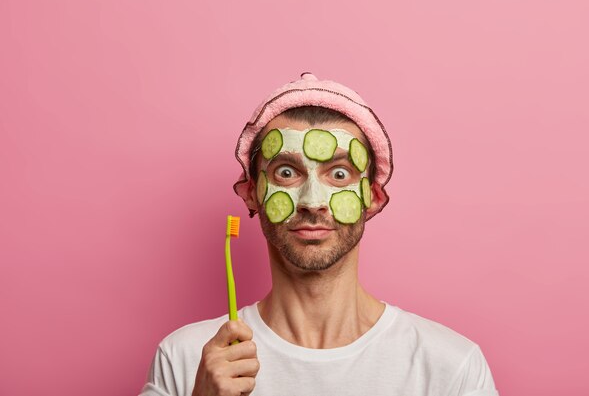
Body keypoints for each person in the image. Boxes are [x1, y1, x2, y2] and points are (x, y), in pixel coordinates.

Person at [139, 73, 499, 396]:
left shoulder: (452, 368)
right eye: (286, 172)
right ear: (251, 192)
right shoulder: (185, 359)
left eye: (339, 175)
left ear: (372, 198)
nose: (313, 202)